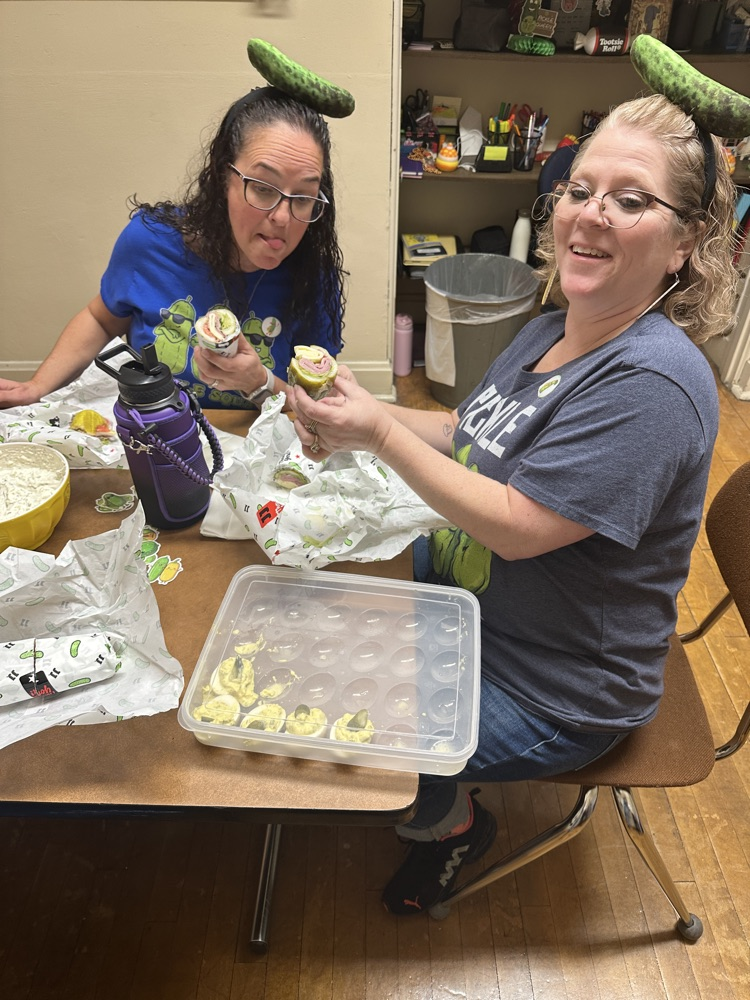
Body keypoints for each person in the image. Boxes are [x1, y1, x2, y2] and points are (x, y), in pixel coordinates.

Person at [289, 94, 739, 915]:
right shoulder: (555, 327)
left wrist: (378, 439)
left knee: (348, 716)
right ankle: (432, 787)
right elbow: (468, 429)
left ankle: (452, 820)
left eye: (631, 199)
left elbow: (521, 527)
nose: (588, 214)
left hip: (551, 683)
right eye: (578, 189)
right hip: (472, 604)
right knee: (315, 603)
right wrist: (364, 414)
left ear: (685, 244)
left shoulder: (653, 385)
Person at [0, 86, 346, 411]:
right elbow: (101, 319)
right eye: (263, 188)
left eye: (303, 196)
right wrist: (38, 386)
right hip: (151, 437)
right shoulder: (150, 244)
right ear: (223, 177)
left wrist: (261, 383)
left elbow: (319, 407)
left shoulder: (311, 276)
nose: (283, 217)